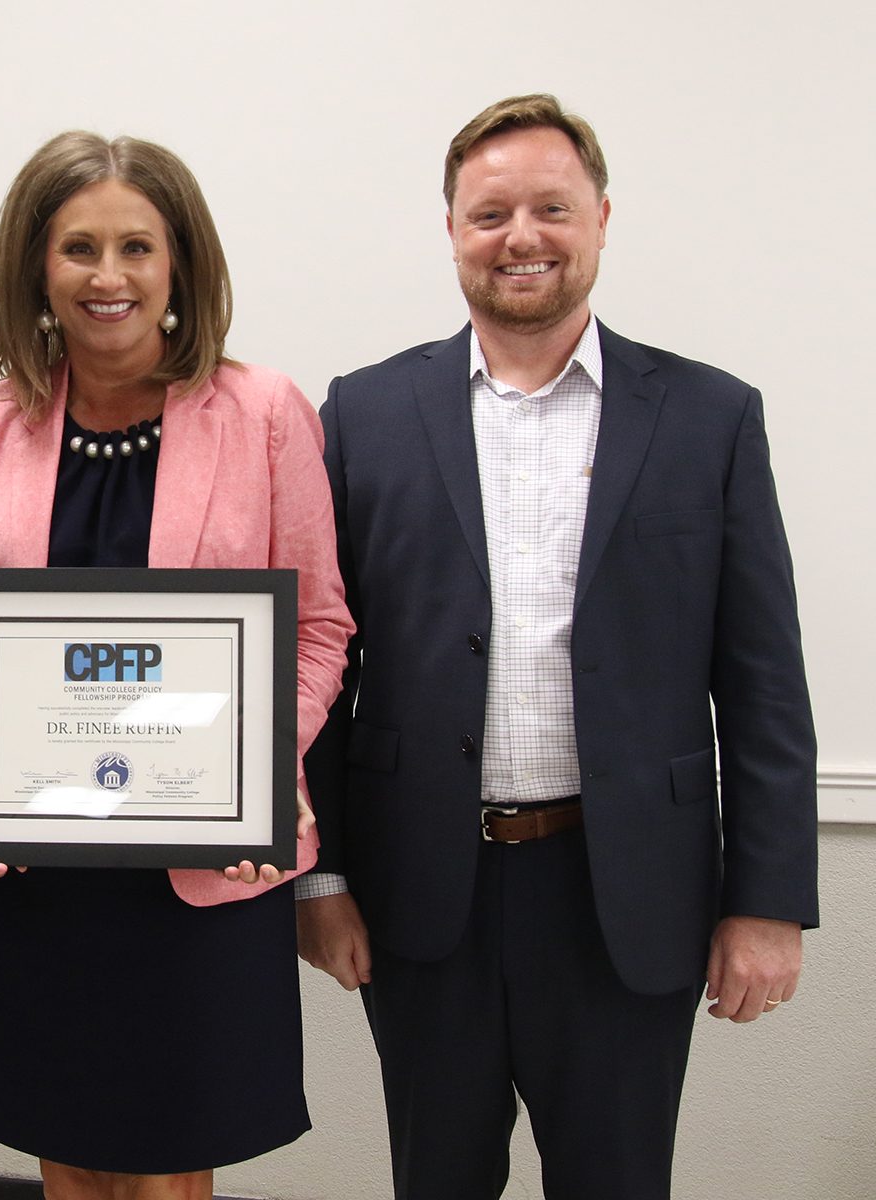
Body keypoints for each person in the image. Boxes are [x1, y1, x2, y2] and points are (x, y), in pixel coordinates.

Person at [300, 94, 817, 1199]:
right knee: (436, 1181)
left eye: (550, 208)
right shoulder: (365, 413)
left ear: (600, 218)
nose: (520, 236)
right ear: (451, 230)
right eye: (490, 214)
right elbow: (322, 660)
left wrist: (767, 899)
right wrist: (323, 874)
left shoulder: (709, 418)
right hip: (423, 892)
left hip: (624, 892)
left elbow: (765, 679)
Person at [0, 131, 354, 1200]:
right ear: (36, 268)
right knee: (61, 1154)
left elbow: (317, 629)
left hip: (193, 866)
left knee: (166, 1168)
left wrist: (246, 770)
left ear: (179, 266)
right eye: (77, 248)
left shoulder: (263, 413)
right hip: (31, 865)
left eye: (134, 248)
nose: (106, 278)